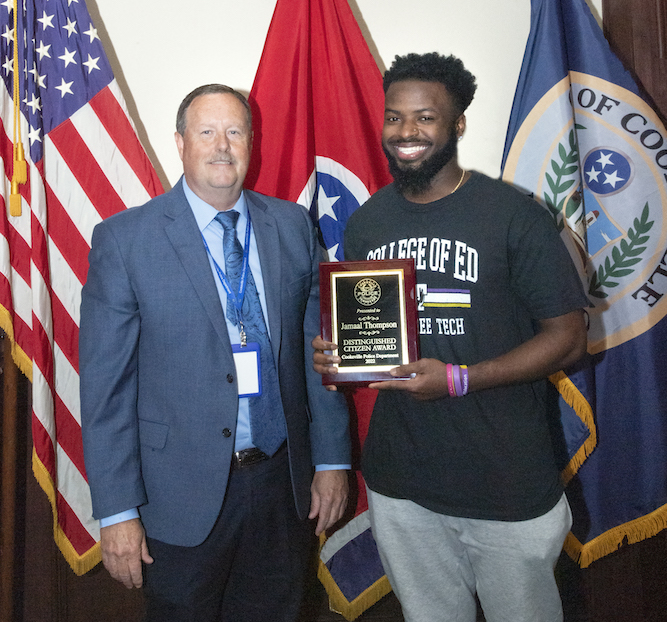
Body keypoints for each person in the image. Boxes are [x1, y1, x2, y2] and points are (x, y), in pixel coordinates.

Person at [313, 52, 588, 622]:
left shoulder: (515, 216)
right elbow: (374, 330)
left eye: (425, 117)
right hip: (402, 484)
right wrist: (342, 356)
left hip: (506, 484)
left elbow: (568, 339)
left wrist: (460, 380)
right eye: (394, 117)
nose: (406, 132)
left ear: (457, 123)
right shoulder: (368, 221)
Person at [80, 83, 350, 622]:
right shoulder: (125, 240)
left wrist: (333, 458)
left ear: (252, 142)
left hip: (281, 486)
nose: (221, 145)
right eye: (206, 132)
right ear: (180, 143)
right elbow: (105, 392)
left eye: (235, 131)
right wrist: (116, 512)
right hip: (176, 498)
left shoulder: (293, 226)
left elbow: (319, 354)